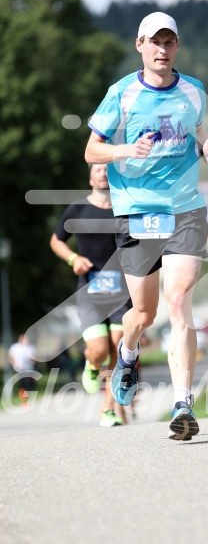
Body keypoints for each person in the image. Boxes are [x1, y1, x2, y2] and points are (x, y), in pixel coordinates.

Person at [84, 12, 208, 441]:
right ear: (140, 45)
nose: (162, 50)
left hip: (185, 210)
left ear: (177, 46)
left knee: (179, 302)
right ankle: (128, 354)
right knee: (142, 314)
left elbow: (196, 133)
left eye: (170, 42)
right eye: (155, 42)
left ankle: (183, 403)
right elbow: (92, 151)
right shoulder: (121, 94)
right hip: (138, 210)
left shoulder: (193, 91)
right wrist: (128, 148)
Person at [50, 163, 133, 427]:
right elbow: (56, 240)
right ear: (90, 178)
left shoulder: (125, 208)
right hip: (91, 292)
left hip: (123, 292)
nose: (103, 173)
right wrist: (73, 258)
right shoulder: (77, 209)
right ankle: (92, 364)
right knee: (97, 351)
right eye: (98, 169)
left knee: (117, 352)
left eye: (108, 170)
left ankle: (107, 409)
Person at [9, 333, 37, 407]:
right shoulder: (15, 347)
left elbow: (35, 359)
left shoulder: (31, 348)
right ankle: (24, 400)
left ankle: (26, 398)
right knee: (24, 384)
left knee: (29, 385)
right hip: (19, 369)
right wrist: (16, 364)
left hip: (29, 369)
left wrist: (31, 360)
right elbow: (11, 358)